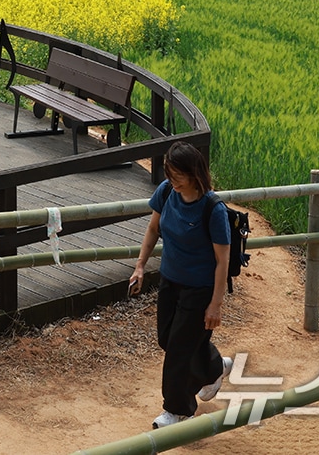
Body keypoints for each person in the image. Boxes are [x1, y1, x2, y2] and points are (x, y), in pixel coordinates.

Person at [130, 142, 232, 429]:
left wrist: (216, 304)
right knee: (168, 339)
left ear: (194, 173)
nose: (173, 180)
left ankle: (178, 410)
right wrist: (140, 266)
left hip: (199, 289)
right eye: (169, 173)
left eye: (178, 175)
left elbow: (222, 260)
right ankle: (213, 367)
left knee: (177, 351)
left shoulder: (213, 210)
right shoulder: (166, 193)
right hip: (170, 280)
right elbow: (153, 229)